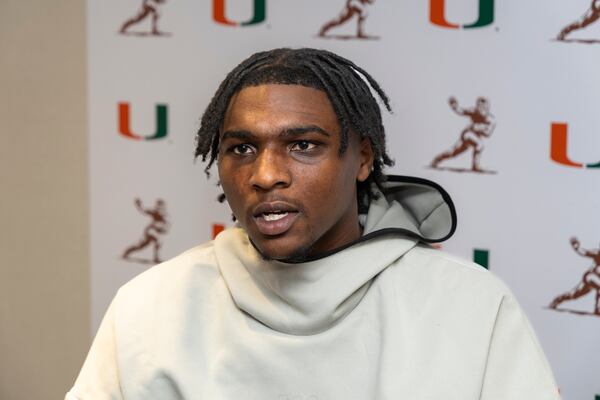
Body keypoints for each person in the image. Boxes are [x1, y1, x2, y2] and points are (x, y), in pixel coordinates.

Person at [66, 48, 560, 399]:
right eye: (242, 148)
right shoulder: (152, 304)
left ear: (362, 159)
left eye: (303, 145)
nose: (265, 175)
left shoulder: (470, 306)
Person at [430, 96, 495, 172]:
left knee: (453, 152)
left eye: (484, 107)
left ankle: (437, 159)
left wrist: (479, 128)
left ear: (488, 108)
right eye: (479, 107)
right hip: (467, 134)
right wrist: (454, 106)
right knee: (479, 145)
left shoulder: (491, 120)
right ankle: (475, 166)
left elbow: (488, 134)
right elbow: (461, 111)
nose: (481, 109)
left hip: (474, 137)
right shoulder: (473, 111)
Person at [549, 237, 600, 315]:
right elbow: (585, 252)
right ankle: (598, 309)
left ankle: (559, 299)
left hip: (596, 280)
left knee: (574, 295)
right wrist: (576, 247)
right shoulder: (597, 253)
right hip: (590, 277)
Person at [121, 198, 169, 264]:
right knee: (154, 242)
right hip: (150, 231)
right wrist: (139, 206)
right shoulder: (155, 212)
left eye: (161, 206)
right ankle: (126, 252)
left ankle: (156, 258)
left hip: (154, 232)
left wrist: (163, 229)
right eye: (159, 205)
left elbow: (165, 227)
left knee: (142, 245)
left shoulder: (164, 215)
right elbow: (144, 211)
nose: (160, 207)